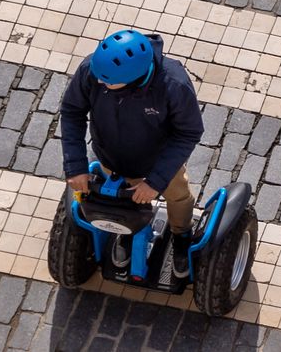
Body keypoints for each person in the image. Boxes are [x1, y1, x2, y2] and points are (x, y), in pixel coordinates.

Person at [59, 29, 205, 280]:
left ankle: (181, 237)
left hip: (158, 162)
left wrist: (155, 182)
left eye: (109, 83)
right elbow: (72, 111)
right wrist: (75, 165)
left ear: (134, 77)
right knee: (117, 199)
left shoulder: (173, 85)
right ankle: (124, 232)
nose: (102, 84)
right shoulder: (93, 71)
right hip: (110, 158)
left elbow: (188, 133)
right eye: (100, 78)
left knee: (178, 197)